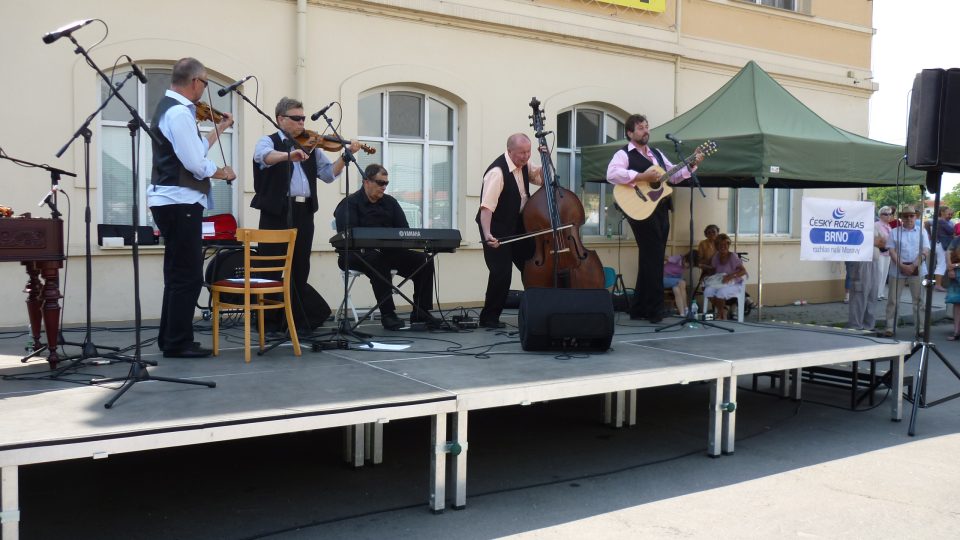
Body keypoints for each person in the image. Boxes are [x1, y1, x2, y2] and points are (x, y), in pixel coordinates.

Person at [147, 58, 236, 358]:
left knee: (177, 274)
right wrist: (221, 172)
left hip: (171, 201)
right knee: (187, 275)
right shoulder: (180, 114)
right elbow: (196, 165)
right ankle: (178, 342)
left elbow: (194, 151)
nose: (205, 89)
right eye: (206, 82)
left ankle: (170, 338)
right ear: (196, 82)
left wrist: (220, 128)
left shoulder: (170, 109)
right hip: (180, 201)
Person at [251, 97, 361, 333]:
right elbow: (264, 157)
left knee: (300, 266)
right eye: (296, 118)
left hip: (304, 211)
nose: (302, 122)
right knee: (270, 267)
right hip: (276, 212)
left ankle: (295, 320)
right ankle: (267, 322)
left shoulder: (310, 145)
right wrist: (289, 155)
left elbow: (329, 174)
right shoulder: (267, 141)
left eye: (303, 118)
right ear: (281, 120)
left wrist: (345, 156)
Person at [606, 114, 702, 323]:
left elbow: (673, 175)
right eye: (640, 128)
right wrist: (641, 177)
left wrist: (692, 163)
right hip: (639, 209)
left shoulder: (656, 155)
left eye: (647, 127)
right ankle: (655, 309)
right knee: (655, 256)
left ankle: (640, 308)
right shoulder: (623, 154)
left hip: (660, 209)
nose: (645, 131)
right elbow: (612, 174)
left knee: (651, 257)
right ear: (630, 133)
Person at [334, 164, 438, 330]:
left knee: (424, 260)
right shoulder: (349, 204)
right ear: (366, 181)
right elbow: (346, 237)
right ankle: (388, 314)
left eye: (386, 183)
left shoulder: (391, 203)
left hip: (387, 253)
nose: (383, 187)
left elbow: (404, 231)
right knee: (377, 260)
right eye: (380, 182)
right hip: (355, 255)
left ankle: (421, 313)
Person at [476, 133, 544, 329]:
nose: (526, 156)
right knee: (501, 273)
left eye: (529, 151)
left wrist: (545, 159)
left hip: (518, 225)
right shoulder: (497, 172)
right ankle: (489, 318)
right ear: (510, 151)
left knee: (531, 265)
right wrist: (487, 233)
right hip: (496, 227)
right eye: (522, 152)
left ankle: (536, 308)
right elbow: (486, 208)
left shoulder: (525, 165)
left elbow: (541, 179)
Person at [883, 205, 930, 338]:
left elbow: (925, 249)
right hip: (897, 269)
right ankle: (890, 327)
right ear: (901, 218)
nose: (909, 218)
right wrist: (902, 266)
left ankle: (921, 328)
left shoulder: (922, 231)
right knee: (893, 300)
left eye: (911, 215)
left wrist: (914, 265)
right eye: (906, 216)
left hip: (918, 269)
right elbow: (891, 250)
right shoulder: (894, 231)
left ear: (916, 217)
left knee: (920, 300)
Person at [847, 231, 886, 332]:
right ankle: (855, 326)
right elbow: (852, 238)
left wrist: (874, 241)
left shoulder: (875, 224)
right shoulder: (856, 220)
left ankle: (869, 326)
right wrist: (872, 241)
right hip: (860, 261)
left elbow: (882, 243)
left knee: (872, 295)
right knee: (859, 294)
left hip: (874, 261)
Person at [703, 234, 746, 321]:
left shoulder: (732, 256)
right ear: (716, 246)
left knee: (720, 293)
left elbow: (743, 271)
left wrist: (731, 276)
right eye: (720, 244)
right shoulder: (716, 256)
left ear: (728, 245)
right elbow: (714, 271)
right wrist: (706, 275)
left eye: (725, 244)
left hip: (734, 283)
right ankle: (723, 310)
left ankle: (720, 314)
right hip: (721, 282)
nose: (723, 246)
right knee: (707, 291)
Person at [874, 206, 894, 300]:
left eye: (890, 214)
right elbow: (876, 238)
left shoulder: (889, 226)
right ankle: (876, 293)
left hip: (888, 252)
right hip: (880, 252)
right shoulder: (877, 225)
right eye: (886, 214)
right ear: (880, 215)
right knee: (879, 272)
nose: (888, 216)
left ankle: (881, 292)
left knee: (885, 273)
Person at [934, 205, 955, 291]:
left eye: (951, 214)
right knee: (941, 264)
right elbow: (951, 231)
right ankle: (938, 285)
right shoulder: (941, 221)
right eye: (948, 214)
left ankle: (938, 284)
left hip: (942, 244)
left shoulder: (942, 221)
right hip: (942, 245)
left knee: (942, 264)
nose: (950, 216)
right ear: (942, 213)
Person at [945, 236, 960, 340]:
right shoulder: (957, 239)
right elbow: (948, 252)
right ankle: (956, 331)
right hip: (956, 273)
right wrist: (950, 267)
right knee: (957, 303)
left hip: (957, 268)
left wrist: (955, 265)